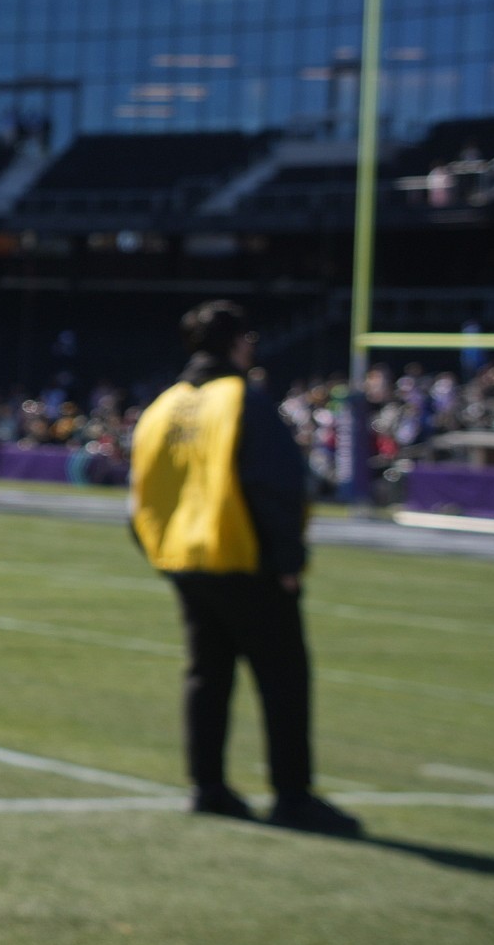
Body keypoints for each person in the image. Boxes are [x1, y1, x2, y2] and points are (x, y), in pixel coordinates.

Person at [130, 300, 359, 836]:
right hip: (242, 559)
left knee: (206, 675)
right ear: (238, 344)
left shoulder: (163, 406)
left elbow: (140, 492)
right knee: (283, 680)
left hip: (185, 562)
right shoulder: (242, 402)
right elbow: (275, 487)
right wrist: (288, 560)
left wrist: (161, 553)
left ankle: (207, 784)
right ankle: (292, 793)